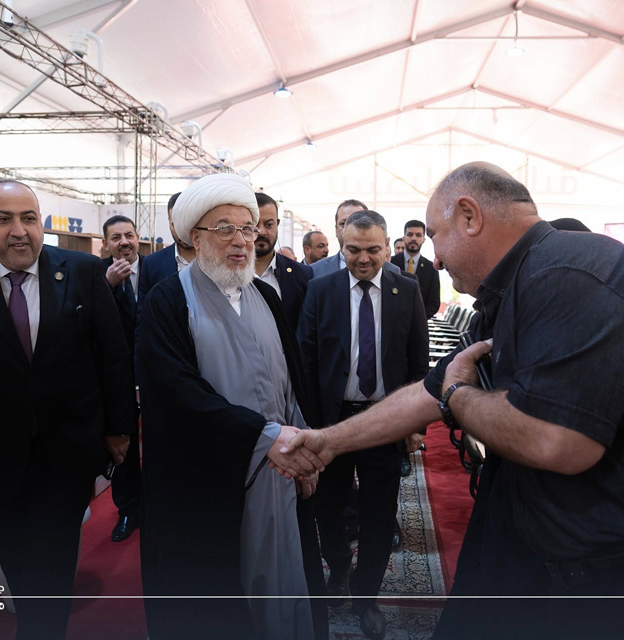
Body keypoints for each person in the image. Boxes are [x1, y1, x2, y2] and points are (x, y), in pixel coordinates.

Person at [283, 162, 624, 638]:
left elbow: (557, 441)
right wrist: (328, 442)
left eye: (436, 236)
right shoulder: (516, 288)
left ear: (469, 216)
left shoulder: (571, 271)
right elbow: (427, 392)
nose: (434, 258)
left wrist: (460, 396)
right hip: (587, 563)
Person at [0, 179, 136, 640]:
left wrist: (119, 429)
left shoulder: (82, 270)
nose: (19, 231)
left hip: (65, 451)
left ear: (41, 223)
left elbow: (111, 355)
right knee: (15, 560)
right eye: (4, 219)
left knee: (53, 562)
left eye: (28, 218)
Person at [138, 173, 326, 640]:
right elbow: (177, 394)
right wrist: (263, 437)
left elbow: (292, 384)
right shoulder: (168, 300)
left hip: (280, 471)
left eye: (247, 228)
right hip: (211, 484)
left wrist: (304, 450)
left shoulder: (266, 295)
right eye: (224, 229)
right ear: (195, 237)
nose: (241, 240)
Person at [298, 209, 429, 640]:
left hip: (385, 422)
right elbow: (306, 360)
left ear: (387, 247)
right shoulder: (321, 290)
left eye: (373, 249)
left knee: (378, 513)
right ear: (342, 245)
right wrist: (311, 426)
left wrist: (415, 424)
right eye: (353, 249)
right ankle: (338, 566)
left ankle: (366, 596)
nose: (363, 258)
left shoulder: (406, 290)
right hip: (332, 423)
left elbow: (418, 363)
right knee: (328, 507)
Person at [100, 214, 144, 542]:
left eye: (128, 235)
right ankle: (128, 509)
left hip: (155, 371)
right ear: (106, 244)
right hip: (116, 377)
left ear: (137, 237)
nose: (124, 242)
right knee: (121, 447)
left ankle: (160, 503)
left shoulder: (157, 269)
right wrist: (108, 285)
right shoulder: (96, 274)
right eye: (116, 238)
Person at [254, 192, 314, 330]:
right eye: (254, 224)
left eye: (269, 224)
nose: (262, 231)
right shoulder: (227, 273)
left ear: (277, 224)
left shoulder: (302, 275)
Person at [311, 200, 400, 277]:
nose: (350, 229)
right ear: (336, 229)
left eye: (358, 223)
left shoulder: (392, 271)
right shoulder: (315, 270)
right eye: (343, 223)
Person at [138, 191, 190, 300]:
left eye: (187, 223)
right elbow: (144, 307)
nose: (182, 231)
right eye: (175, 224)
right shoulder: (152, 263)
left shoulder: (216, 259)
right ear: (169, 222)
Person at [390, 219, 441, 319]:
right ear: (404, 238)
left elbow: (434, 303)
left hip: (419, 323)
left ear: (423, 239)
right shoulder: (390, 263)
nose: (414, 238)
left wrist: (418, 319)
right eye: (410, 234)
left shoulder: (431, 268)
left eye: (418, 235)